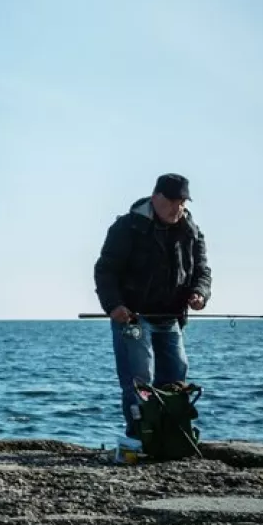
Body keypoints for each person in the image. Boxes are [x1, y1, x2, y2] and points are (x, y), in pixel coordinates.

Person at [93, 173, 212, 438]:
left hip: (170, 317)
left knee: (176, 374)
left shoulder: (191, 231)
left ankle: (170, 435)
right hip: (132, 317)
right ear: (156, 197)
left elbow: (203, 271)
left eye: (182, 202)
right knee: (139, 380)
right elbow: (106, 271)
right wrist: (114, 306)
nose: (177, 208)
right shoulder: (127, 227)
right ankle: (140, 435)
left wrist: (200, 294)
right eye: (172, 201)